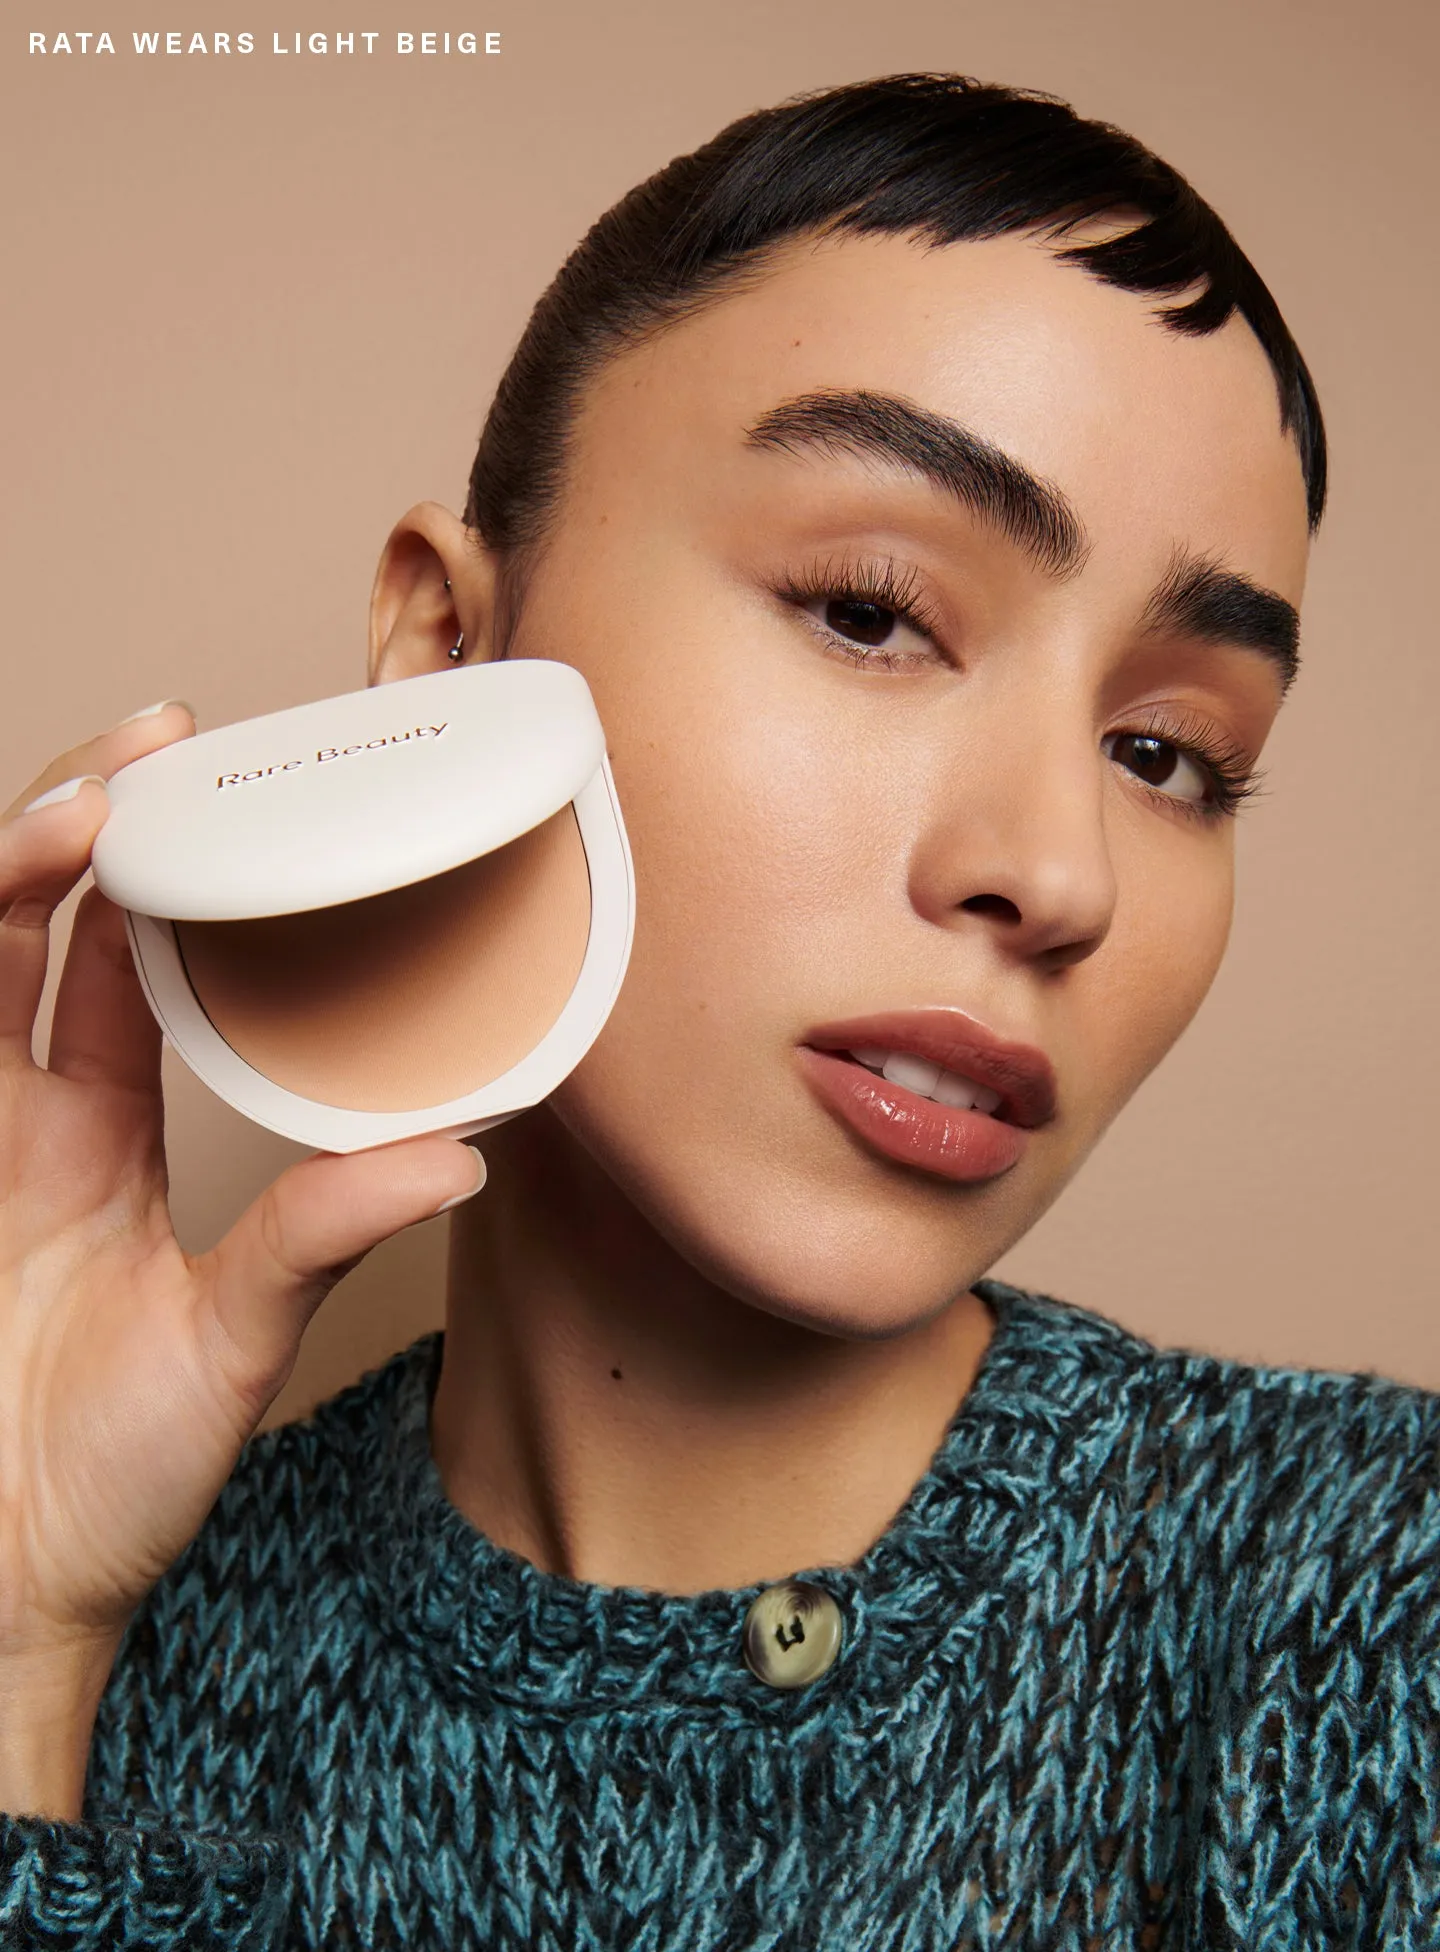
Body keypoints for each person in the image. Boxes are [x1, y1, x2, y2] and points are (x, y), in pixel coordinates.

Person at [1, 71, 1434, 1950]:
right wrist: (21, 1643)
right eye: (868, 611)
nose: (1059, 871)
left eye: (1170, 754)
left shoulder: (1368, 1599)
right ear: (449, 652)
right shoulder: (118, 1648)